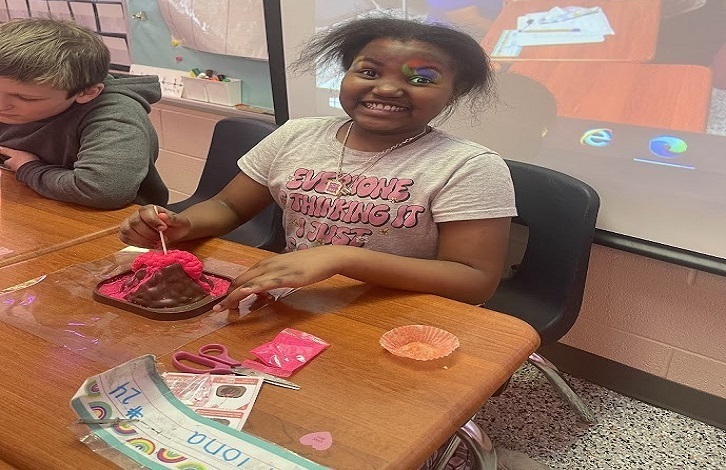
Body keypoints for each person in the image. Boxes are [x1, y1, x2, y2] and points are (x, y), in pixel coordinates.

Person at [120, 16, 516, 308]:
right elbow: (229, 206)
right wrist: (184, 225)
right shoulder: (298, 135)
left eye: (422, 78)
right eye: (369, 71)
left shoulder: (470, 167)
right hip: (302, 298)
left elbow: (473, 280)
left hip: (402, 307)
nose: (388, 87)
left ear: (455, 91)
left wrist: (341, 256)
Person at [0, 17, 168, 209]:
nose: (2, 106)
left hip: (109, 223)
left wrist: (28, 168)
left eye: (26, 98)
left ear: (87, 92)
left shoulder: (116, 115)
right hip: (24, 203)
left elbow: (102, 190)